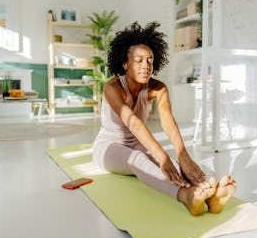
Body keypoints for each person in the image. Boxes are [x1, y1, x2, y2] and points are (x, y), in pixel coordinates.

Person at [92, 21, 237, 216]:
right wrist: (163, 157)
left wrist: (182, 154)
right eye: (139, 60)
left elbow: (167, 121)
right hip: (108, 147)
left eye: (150, 60)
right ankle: (186, 196)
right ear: (125, 64)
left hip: (138, 142)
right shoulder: (113, 87)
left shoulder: (157, 88)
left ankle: (210, 197)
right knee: (141, 158)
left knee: (174, 164)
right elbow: (133, 122)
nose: (146, 66)